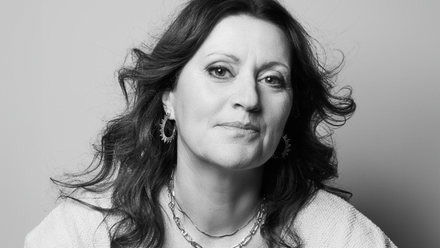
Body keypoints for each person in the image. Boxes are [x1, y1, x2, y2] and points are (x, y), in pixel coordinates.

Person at [25, 0, 396, 247]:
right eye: (220, 71)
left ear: (290, 112)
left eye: (272, 79)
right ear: (169, 96)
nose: (249, 99)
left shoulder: (342, 237)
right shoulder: (79, 233)